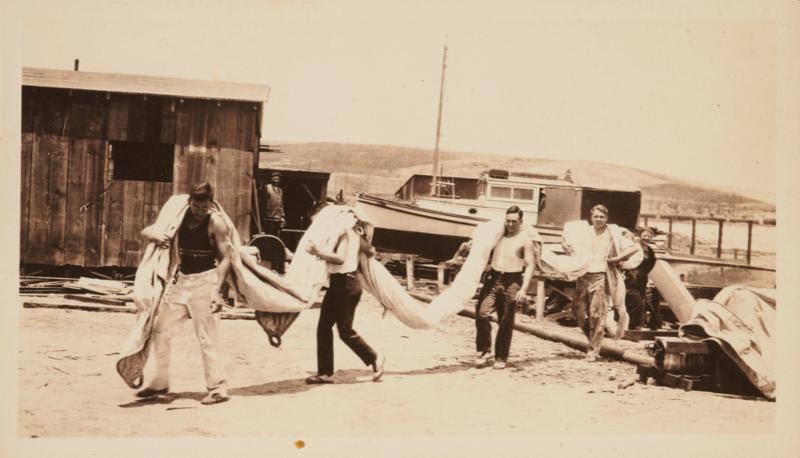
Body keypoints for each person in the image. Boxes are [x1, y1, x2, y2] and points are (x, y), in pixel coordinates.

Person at [135, 182, 232, 405]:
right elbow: (145, 231)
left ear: (210, 204)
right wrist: (156, 236)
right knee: (160, 330)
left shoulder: (216, 222)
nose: (199, 212)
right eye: (196, 206)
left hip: (205, 281)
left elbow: (226, 257)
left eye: (204, 207)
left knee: (207, 337)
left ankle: (218, 388)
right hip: (182, 281)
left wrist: (218, 291)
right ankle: (160, 381)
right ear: (190, 202)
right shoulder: (178, 217)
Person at [304, 216, 385, 384]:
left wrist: (318, 252)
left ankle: (375, 357)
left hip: (346, 285)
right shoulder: (351, 234)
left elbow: (340, 258)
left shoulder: (346, 234)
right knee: (324, 327)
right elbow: (370, 250)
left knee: (345, 332)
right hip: (340, 284)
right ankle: (325, 373)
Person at [564, 204, 639, 361]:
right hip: (583, 273)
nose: (598, 219)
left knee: (596, 314)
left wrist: (617, 258)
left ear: (607, 219)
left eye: (602, 217)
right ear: (591, 217)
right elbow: (567, 242)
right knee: (577, 311)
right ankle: (593, 339)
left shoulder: (612, 234)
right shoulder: (584, 232)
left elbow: (635, 248)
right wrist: (567, 248)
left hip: (601, 275)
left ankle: (593, 350)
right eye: (596, 216)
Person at [474, 206, 536, 369]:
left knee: (505, 321)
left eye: (514, 221)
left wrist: (523, 289)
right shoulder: (498, 235)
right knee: (482, 313)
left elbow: (530, 265)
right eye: (508, 221)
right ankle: (484, 350)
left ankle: (501, 357)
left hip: (512, 281)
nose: (510, 224)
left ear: (521, 222)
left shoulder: (525, 240)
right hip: (494, 278)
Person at [624, 227, 657, 329]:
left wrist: (645, 274)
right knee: (634, 300)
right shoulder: (635, 247)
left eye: (648, 236)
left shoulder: (650, 250)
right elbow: (626, 260)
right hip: (632, 276)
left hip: (642, 277)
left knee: (641, 300)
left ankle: (635, 324)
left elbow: (652, 263)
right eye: (644, 235)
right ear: (640, 236)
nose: (646, 238)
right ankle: (630, 324)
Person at [262, 171, 285, 238]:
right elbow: (263, 201)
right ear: (271, 179)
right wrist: (264, 215)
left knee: (276, 235)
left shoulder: (280, 190)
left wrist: (283, 216)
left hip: (278, 217)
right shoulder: (267, 187)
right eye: (274, 177)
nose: (276, 179)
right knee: (269, 234)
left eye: (278, 178)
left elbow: (281, 203)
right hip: (269, 216)